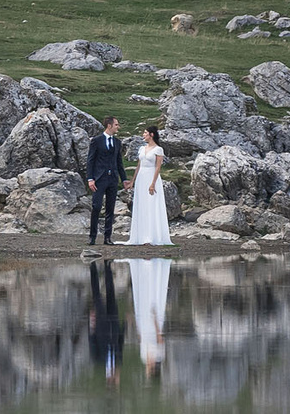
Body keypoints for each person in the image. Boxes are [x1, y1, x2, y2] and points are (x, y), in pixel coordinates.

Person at [126, 124, 172, 248]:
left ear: (151, 135)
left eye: (145, 133)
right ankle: (140, 235)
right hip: (141, 177)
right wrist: (133, 181)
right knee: (142, 204)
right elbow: (139, 165)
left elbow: (158, 167)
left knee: (151, 204)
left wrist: (153, 183)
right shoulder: (142, 148)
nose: (143, 135)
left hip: (152, 176)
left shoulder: (158, 149)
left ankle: (152, 236)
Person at [85, 116, 127, 248]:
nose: (117, 127)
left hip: (113, 179)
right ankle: (92, 236)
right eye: (116, 125)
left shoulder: (118, 142)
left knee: (110, 208)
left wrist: (124, 178)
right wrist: (90, 178)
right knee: (96, 206)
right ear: (109, 126)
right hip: (99, 178)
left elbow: (119, 162)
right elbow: (90, 160)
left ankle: (107, 237)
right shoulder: (96, 141)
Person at [87, 259, 123, 386]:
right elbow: (120, 341)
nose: (118, 375)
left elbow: (92, 341)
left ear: (111, 378)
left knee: (97, 295)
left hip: (101, 326)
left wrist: (91, 323)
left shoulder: (98, 360)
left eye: (116, 378)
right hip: (113, 322)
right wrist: (123, 325)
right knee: (110, 292)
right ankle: (107, 266)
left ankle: (93, 267)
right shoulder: (119, 360)